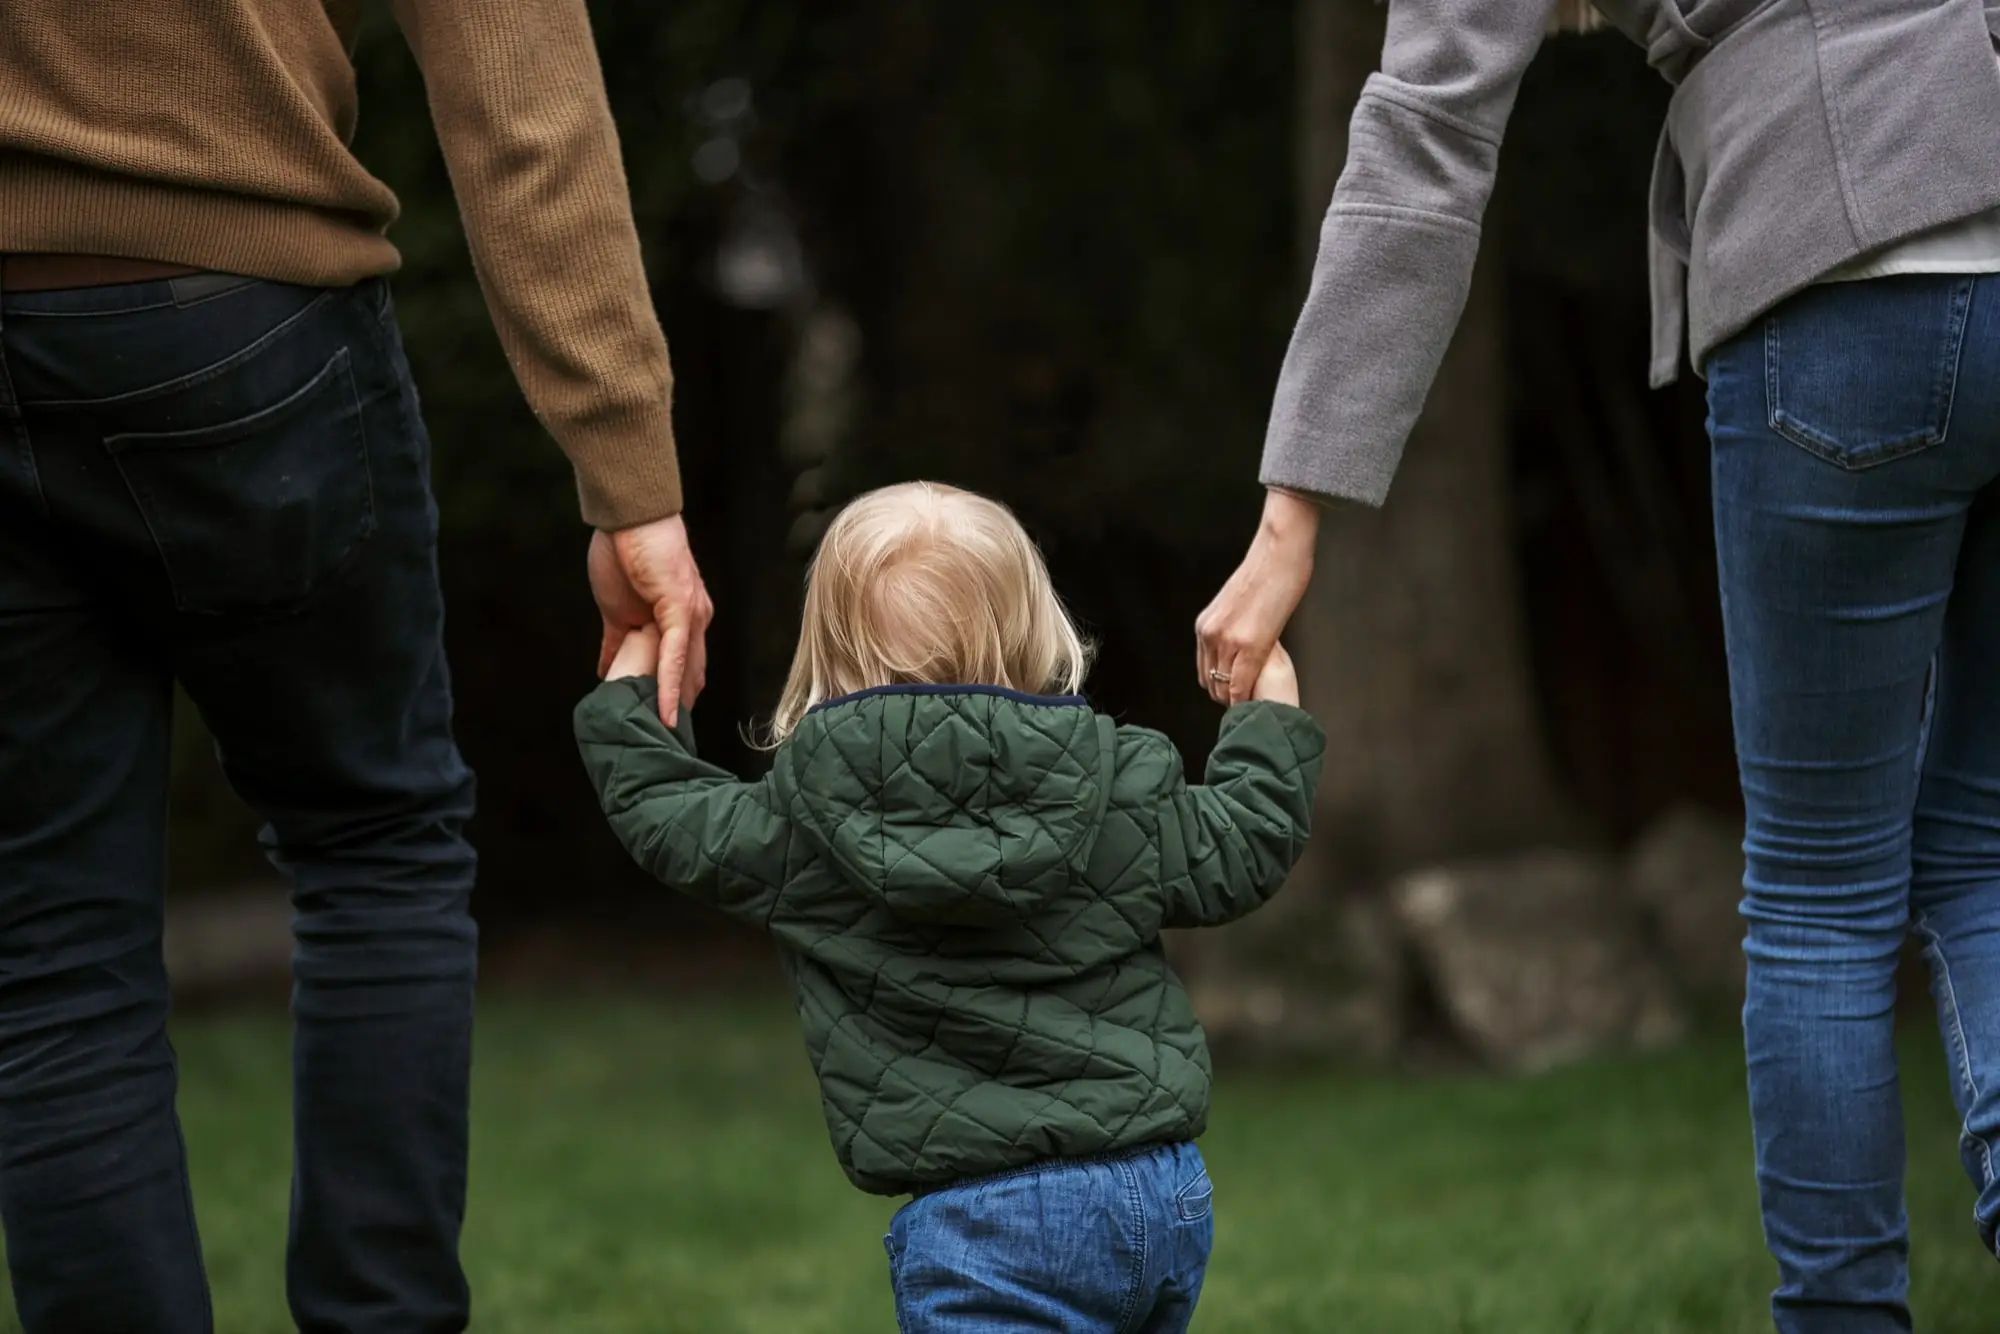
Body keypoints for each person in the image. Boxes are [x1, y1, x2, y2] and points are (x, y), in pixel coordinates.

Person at [1195, 2, 2000, 1330]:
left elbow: (1425, 137)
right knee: (1981, 837)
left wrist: (1293, 517)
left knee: (1820, 891)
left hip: (1845, 264)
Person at [0, 4, 709, 1331]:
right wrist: (629, 471)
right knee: (373, 843)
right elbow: (512, 56)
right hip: (237, 314)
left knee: (45, 952)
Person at [574, 482, 1324, 1333]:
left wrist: (635, 687)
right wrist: (1269, 715)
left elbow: (666, 817)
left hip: (981, 1227)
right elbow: (1243, 846)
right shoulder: (1119, 784)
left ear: (829, 650)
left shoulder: (799, 823)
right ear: (1032, 628)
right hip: (1154, 1193)